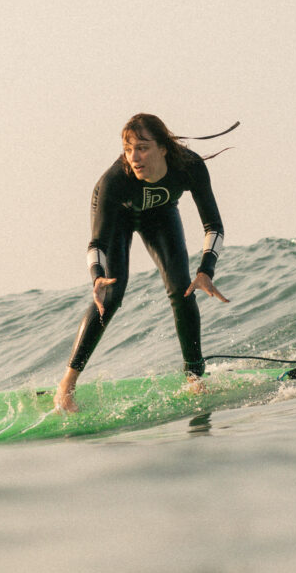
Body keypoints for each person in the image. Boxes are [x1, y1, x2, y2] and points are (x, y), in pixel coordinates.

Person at [55, 113, 230, 413]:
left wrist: (205, 271)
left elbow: (214, 225)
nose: (134, 157)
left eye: (143, 148)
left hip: (161, 214)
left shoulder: (189, 166)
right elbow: (97, 244)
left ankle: (194, 379)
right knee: (111, 295)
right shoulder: (113, 182)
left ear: (163, 147)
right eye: (128, 149)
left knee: (182, 289)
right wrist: (97, 277)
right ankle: (66, 387)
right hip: (119, 217)